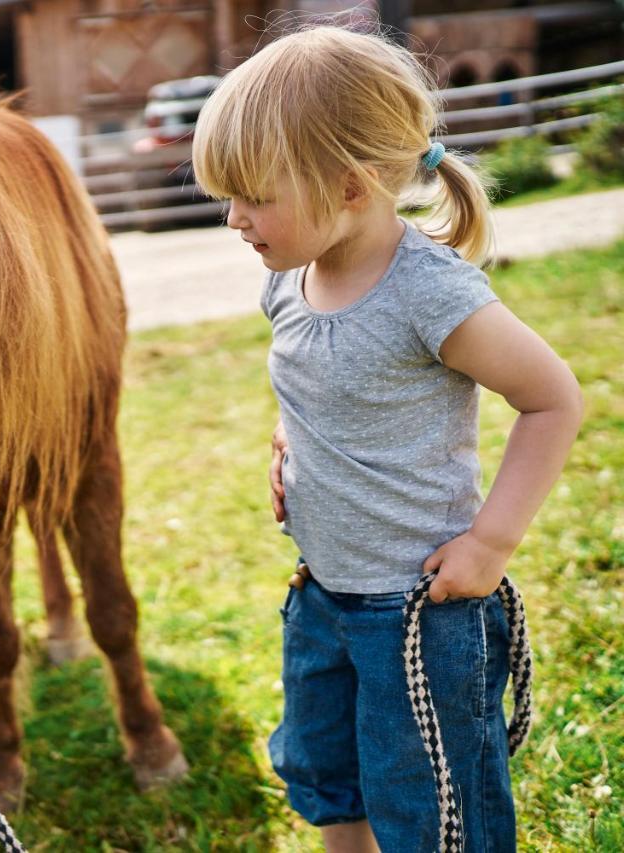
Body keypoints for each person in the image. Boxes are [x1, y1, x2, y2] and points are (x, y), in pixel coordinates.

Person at [191, 26, 582, 852]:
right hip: (322, 594)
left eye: (254, 195)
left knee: (430, 800)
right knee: (328, 775)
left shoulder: (429, 294)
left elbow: (552, 401)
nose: (233, 218)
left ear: (351, 187)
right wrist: (287, 442)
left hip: (418, 609)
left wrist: (491, 541)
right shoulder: (286, 280)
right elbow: (319, 381)